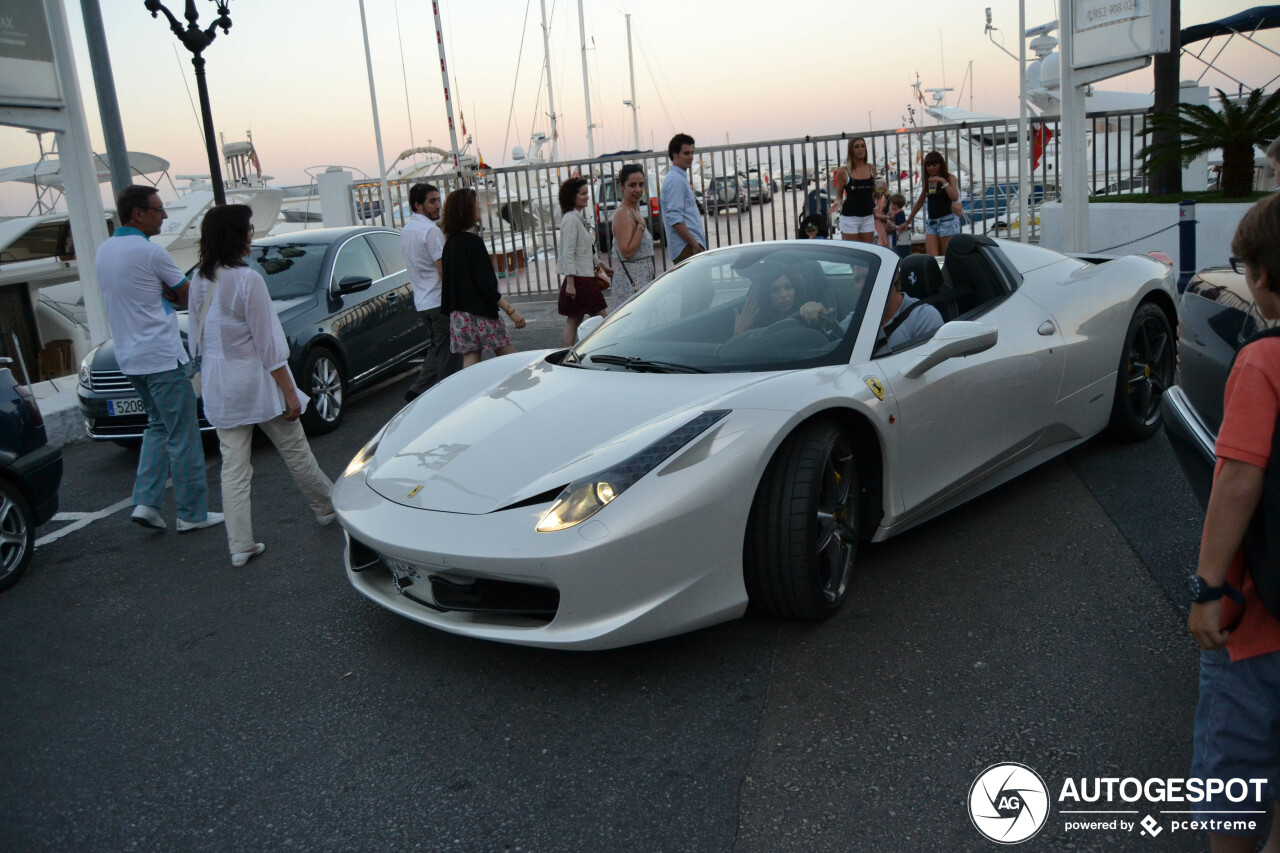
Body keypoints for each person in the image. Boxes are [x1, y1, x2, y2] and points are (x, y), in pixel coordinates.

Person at [1186, 193, 1280, 853]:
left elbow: (1240, 477)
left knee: (1235, 789)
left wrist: (1209, 586)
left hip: (1259, 623)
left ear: (1264, 276)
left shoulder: (1262, 362)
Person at [187, 205, 333, 567]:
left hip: (220, 384)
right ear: (236, 235)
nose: (252, 233)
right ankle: (328, 508)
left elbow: (196, 339)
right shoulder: (248, 279)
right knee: (295, 450)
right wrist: (289, 391)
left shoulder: (199, 280)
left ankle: (240, 545)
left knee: (233, 468)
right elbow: (268, 345)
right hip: (255, 380)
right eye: (249, 228)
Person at [95, 185, 223, 534]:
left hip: (129, 357)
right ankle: (192, 513)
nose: (164, 215)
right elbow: (188, 297)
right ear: (137, 213)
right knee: (184, 434)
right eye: (157, 209)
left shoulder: (103, 251)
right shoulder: (151, 253)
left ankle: (146, 502)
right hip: (162, 356)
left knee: (156, 426)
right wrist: (172, 293)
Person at [440, 188, 526, 368]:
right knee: (511, 359)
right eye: (476, 204)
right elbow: (486, 285)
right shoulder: (473, 242)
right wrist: (511, 311)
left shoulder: (449, 243)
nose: (479, 207)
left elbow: (448, 283)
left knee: (471, 358)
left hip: (460, 314)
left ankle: (470, 394)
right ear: (467, 209)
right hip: (481, 312)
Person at [401, 182, 460, 403]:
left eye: (438, 200)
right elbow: (443, 269)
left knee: (437, 348)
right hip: (438, 300)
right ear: (417, 205)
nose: (438, 205)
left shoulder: (406, 231)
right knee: (448, 357)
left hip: (423, 302)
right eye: (432, 201)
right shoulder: (431, 231)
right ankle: (446, 399)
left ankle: (418, 389)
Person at [556, 176, 611, 346]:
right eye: (583, 194)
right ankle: (605, 349)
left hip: (582, 276)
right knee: (603, 318)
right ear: (573, 196)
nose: (587, 196)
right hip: (580, 279)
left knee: (575, 320)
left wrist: (601, 265)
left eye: (587, 193)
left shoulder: (575, 218)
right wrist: (571, 282)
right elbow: (568, 251)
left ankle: (567, 353)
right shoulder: (572, 219)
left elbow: (585, 249)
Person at [609, 164, 657, 312]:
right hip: (631, 283)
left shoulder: (632, 210)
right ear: (621, 186)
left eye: (641, 185)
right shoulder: (623, 214)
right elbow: (627, 252)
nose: (638, 190)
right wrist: (641, 225)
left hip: (641, 280)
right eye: (632, 185)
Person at [905, 151, 961, 257]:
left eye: (934, 165)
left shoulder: (950, 178)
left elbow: (955, 197)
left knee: (947, 258)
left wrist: (942, 181)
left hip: (946, 222)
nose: (931, 168)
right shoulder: (929, 181)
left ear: (941, 165)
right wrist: (908, 221)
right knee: (932, 259)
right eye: (928, 165)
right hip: (931, 223)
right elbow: (920, 202)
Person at [661, 133, 706, 263]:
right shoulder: (675, 180)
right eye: (686, 153)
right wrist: (694, 244)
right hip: (687, 247)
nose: (691, 157)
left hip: (688, 246)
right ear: (675, 154)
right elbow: (674, 218)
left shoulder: (678, 178)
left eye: (692, 153)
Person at [879, 271, 943, 349]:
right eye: (859, 279)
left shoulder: (923, 316)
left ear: (894, 275)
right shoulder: (863, 315)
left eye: (871, 277)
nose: (861, 286)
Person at [832, 137, 877, 243]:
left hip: (868, 216)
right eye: (856, 147)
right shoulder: (843, 171)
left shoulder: (871, 168)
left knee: (868, 252)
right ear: (851, 151)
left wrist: (882, 190)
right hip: (850, 217)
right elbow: (839, 195)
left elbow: (872, 192)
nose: (860, 149)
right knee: (853, 253)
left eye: (863, 146)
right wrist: (837, 203)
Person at [887, 193, 911, 258]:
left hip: (901, 241)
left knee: (900, 256)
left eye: (892, 204)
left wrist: (891, 224)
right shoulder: (896, 213)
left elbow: (900, 228)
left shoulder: (900, 214)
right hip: (897, 240)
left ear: (896, 205)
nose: (891, 205)